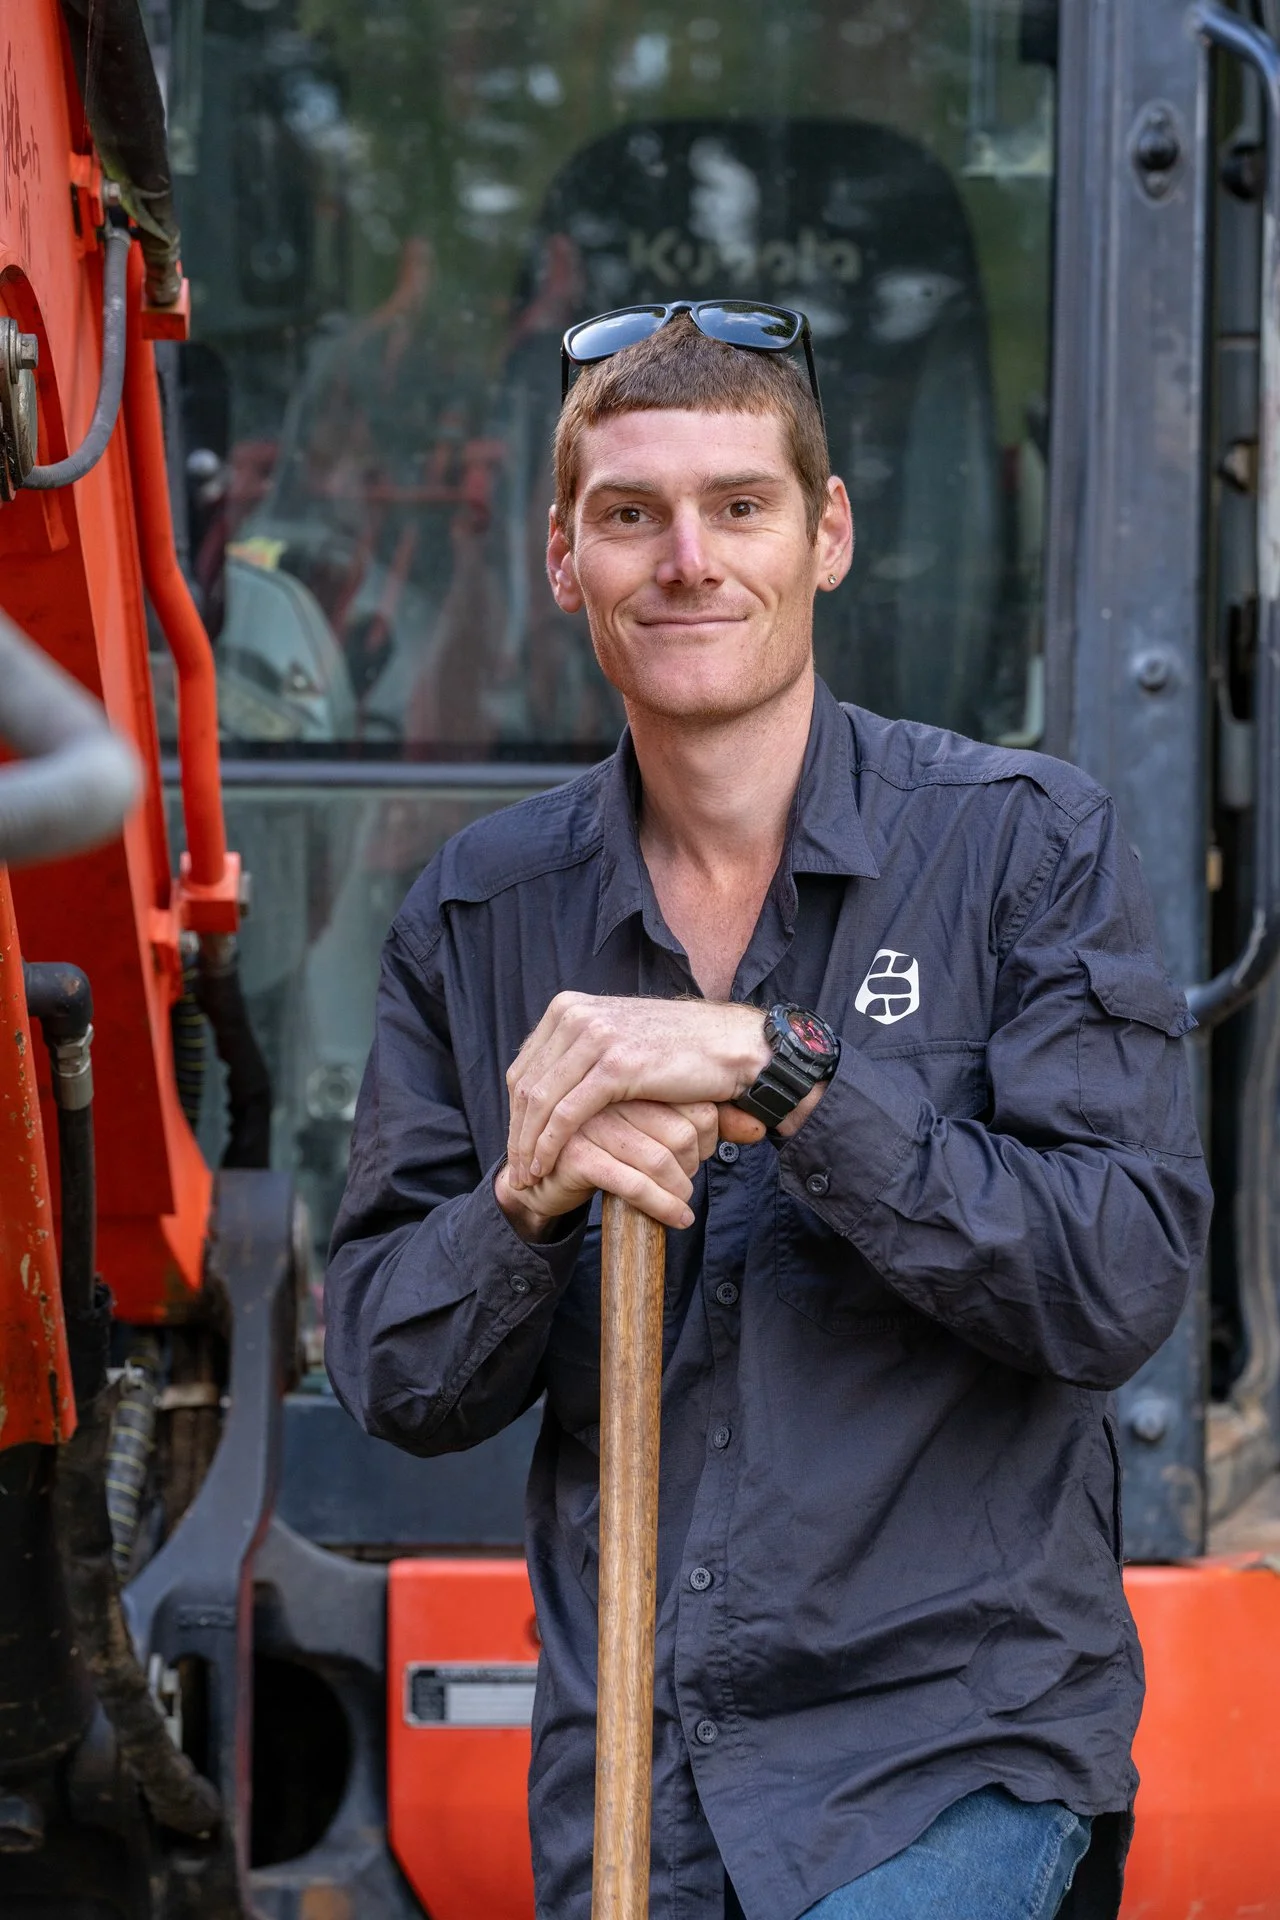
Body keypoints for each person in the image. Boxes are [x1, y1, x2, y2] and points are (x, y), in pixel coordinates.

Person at [325, 302, 1212, 1920]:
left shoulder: (1026, 849)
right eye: (630, 515)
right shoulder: (478, 914)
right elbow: (392, 1369)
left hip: (951, 1763)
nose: (687, 558)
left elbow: (1120, 1276)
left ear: (828, 535)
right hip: (631, 1789)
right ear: (561, 556)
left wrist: (783, 1077)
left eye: (739, 506)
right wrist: (524, 1203)